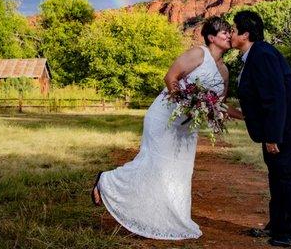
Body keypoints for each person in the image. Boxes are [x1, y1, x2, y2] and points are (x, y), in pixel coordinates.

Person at [91, 16, 241, 240]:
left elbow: (218, 103)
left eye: (231, 32)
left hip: (187, 128)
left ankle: (169, 219)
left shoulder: (225, 71)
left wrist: (245, 116)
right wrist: (188, 102)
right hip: (164, 117)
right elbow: (170, 77)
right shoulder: (198, 54)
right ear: (211, 37)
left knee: (178, 172)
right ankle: (105, 181)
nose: (230, 35)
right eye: (225, 32)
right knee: (154, 165)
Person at [227, 10, 291, 247]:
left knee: (290, 175)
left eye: (233, 30)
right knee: (277, 174)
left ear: (245, 34)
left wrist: (272, 137)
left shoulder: (262, 54)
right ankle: (278, 226)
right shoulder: (253, 55)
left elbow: (275, 97)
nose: (229, 34)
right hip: (283, 121)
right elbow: (260, 100)